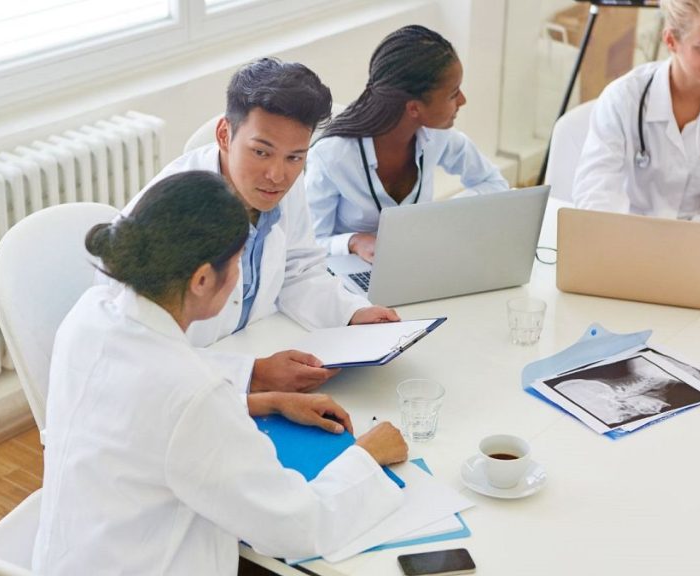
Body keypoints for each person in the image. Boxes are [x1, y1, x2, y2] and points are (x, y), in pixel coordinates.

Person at [33, 171, 409, 575]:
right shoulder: (192, 396)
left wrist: (261, 402)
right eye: (235, 264)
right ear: (201, 280)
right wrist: (367, 459)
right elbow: (297, 526)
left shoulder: (89, 315)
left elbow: (145, 407)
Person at [101, 58, 399, 394]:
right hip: (178, 392)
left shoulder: (284, 184)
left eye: (295, 157)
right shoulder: (171, 212)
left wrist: (352, 313)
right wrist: (252, 375)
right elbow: (140, 348)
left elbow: (298, 271)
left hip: (253, 350)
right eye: (261, 152)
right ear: (225, 134)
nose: (277, 175)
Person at [305, 24, 509, 263]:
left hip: (417, 262)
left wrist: (446, 213)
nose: (463, 100)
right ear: (414, 108)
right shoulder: (332, 156)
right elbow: (308, 244)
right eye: (453, 94)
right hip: (351, 276)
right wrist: (353, 242)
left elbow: (494, 183)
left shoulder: (437, 136)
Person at [572, 0, 700, 247]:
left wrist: (679, 241)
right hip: (628, 241)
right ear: (671, 41)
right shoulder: (623, 98)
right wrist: (623, 241)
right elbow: (595, 189)